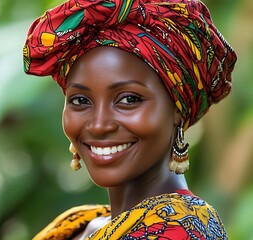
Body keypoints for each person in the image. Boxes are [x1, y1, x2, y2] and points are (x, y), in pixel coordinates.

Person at [23, 0, 237, 239]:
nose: (99, 124)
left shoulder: (181, 231)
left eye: (128, 99)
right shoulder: (80, 225)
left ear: (178, 108)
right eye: (81, 101)